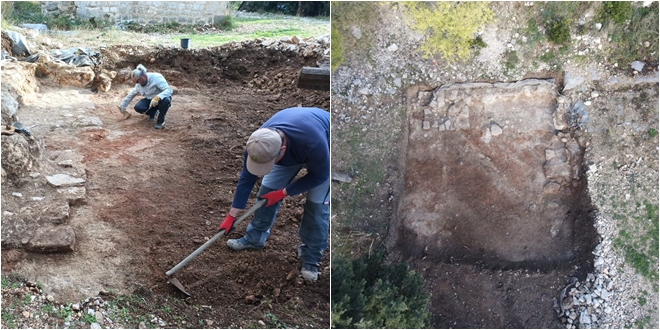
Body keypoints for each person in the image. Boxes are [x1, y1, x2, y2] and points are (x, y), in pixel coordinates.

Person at [218, 107, 330, 281]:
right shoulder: (257, 143)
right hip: (295, 147)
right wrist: (231, 215)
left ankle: (311, 258)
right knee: (266, 193)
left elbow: (320, 175)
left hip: (325, 148)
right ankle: (255, 239)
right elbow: (246, 178)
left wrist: (285, 192)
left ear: (282, 149)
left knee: (316, 207)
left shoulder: (313, 142)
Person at [119, 64, 173, 129]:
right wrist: (122, 106)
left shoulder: (157, 77)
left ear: (143, 77)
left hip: (161, 99)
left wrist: (158, 97)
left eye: (137, 81)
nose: (137, 83)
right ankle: (153, 113)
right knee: (138, 107)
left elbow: (169, 90)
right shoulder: (138, 84)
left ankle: (161, 121)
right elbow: (131, 95)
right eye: (135, 82)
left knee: (166, 101)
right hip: (149, 99)